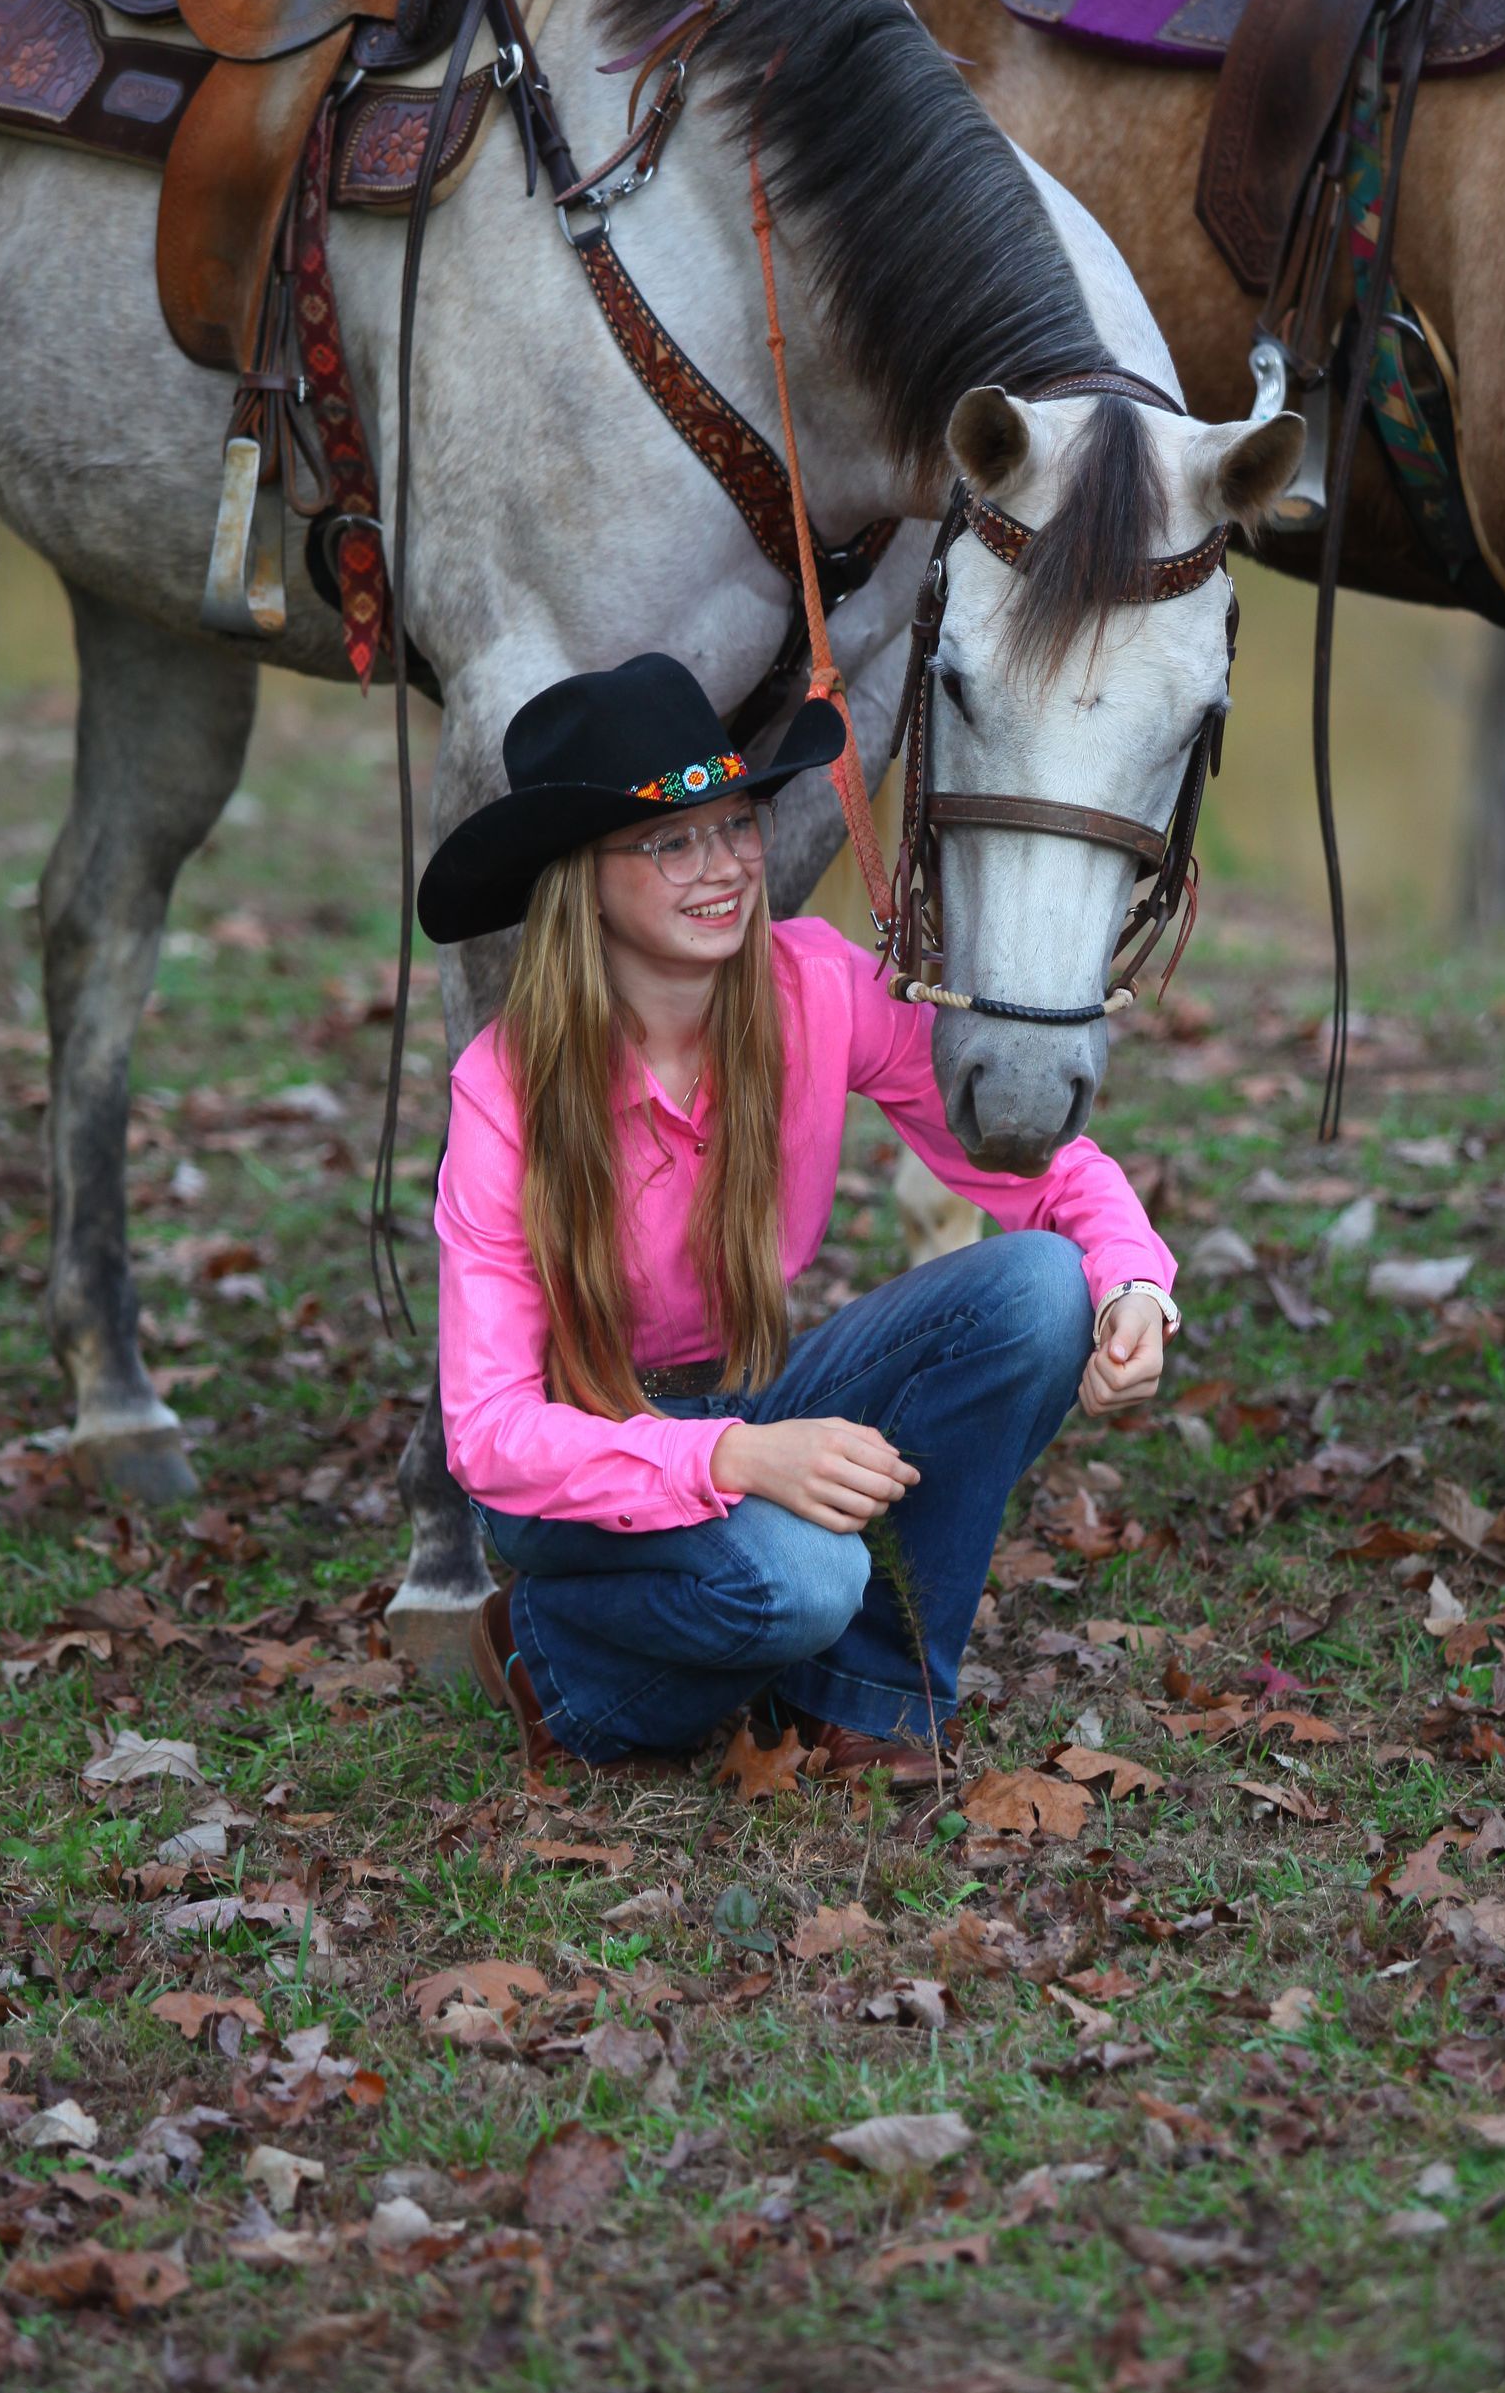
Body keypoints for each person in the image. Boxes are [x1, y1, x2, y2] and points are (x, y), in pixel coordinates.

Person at [420, 653, 1178, 1784]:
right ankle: (553, 1651)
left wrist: (1131, 1282)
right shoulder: (508, 1086)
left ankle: (867, 1698)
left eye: (734, 827)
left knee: (1037, 1289)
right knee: (801, 1582)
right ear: (583, 876)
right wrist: (735, 1456)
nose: (723, 867)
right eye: (671, 840)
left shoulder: (813, 987)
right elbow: (489, 1440)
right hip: (581, 1462)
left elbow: (1042, 1165)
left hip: (754, 1394)